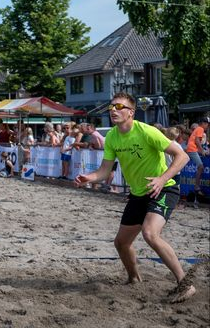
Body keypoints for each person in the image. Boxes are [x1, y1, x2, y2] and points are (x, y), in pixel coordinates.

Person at [74, 93, 195, 303]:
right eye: (111, 107)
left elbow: (182, 156)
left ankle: (185, 284)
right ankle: (134, 278)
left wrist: (161, 178)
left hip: (163, 189)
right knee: (121, 243)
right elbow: (104, 171)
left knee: (150, 233)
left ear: (131, 112)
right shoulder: (112, 136)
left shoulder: (146, 131)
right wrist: (88, 177)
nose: (113, 110)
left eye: (119, 106)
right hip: (139, 194)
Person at [183, 117, 207, 204]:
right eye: (207, 124)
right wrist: (202, 151)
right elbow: (197, 140)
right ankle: (196, 187)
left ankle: (196, 188)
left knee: (199, 167)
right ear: (203, 123)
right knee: (200, 167)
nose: (208, 126)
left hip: (192, 149)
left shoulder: (198, 128)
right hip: (192, 149)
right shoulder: (200, 128)